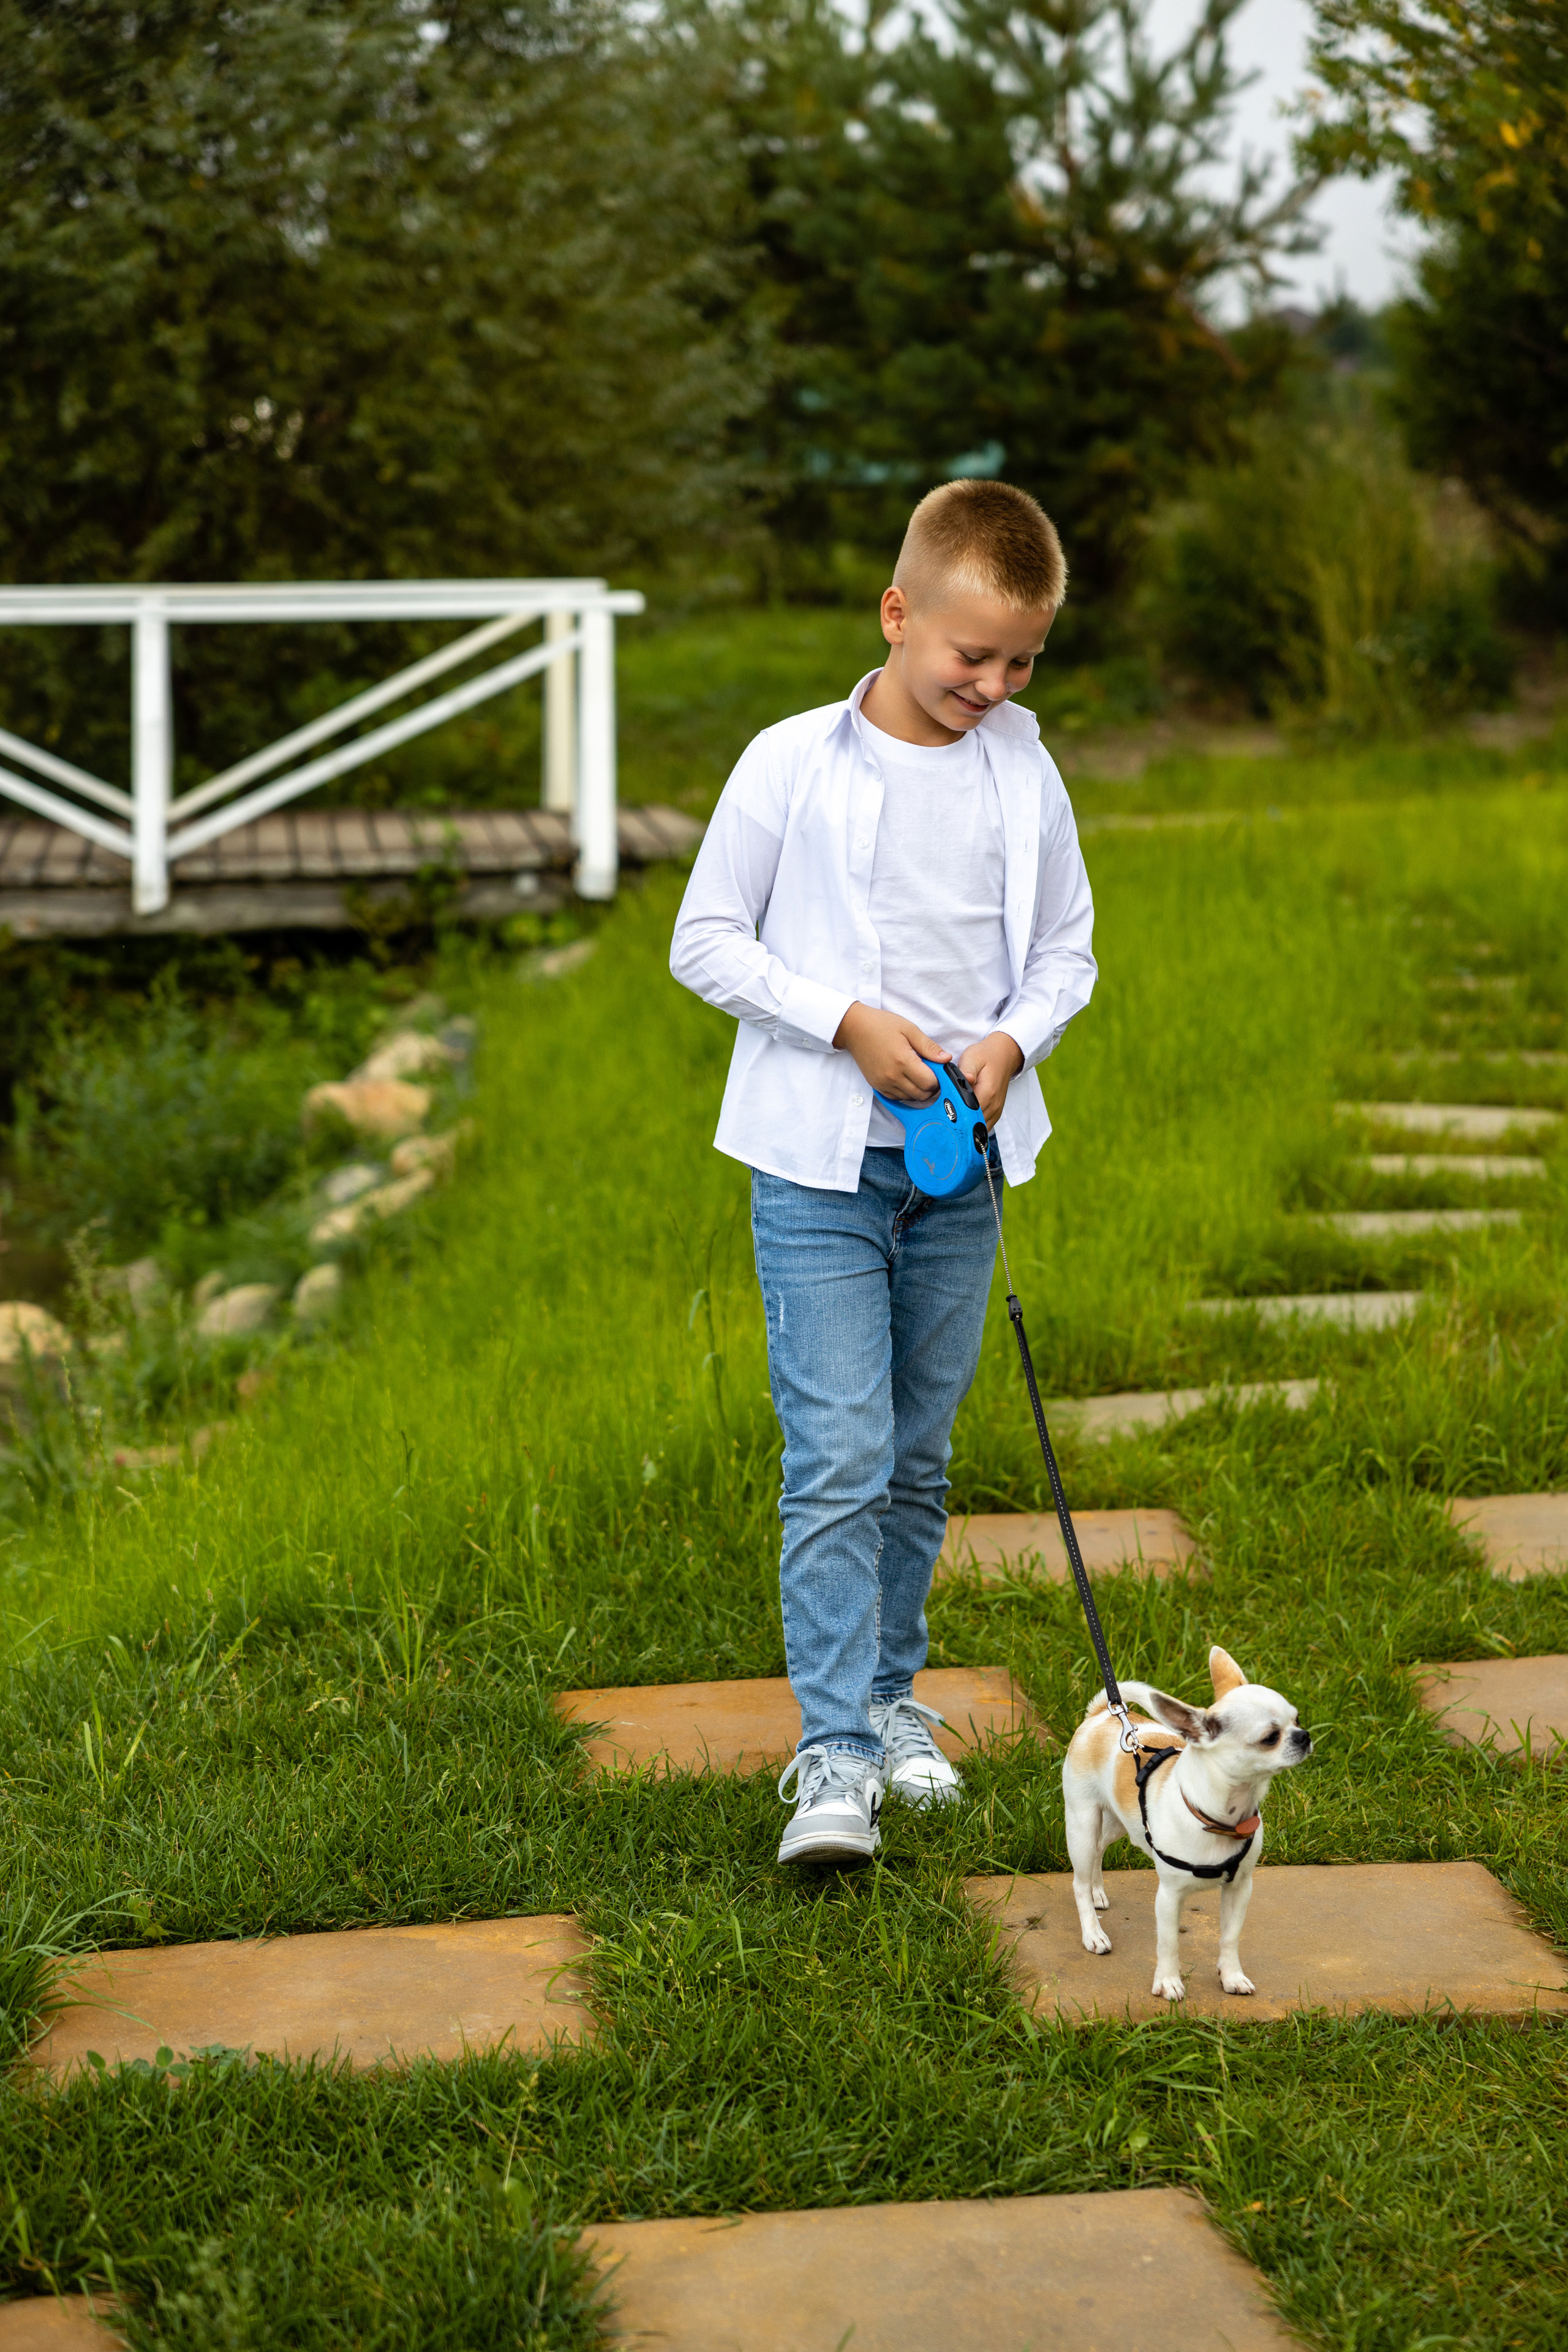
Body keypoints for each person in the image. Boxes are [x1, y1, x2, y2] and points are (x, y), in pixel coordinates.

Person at [669, 478, 1096, 1864]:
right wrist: (842, 1020)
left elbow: (1064, 957)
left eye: (1019, 659)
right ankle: (832, 1753)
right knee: (839, 1452)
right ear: (896, 613)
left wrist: (1011, 1044)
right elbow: (705, 941)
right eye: (969, 654)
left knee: (916, 1458)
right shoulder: (792, 761)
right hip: (816, 1169)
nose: (993, 682)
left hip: (958, 1170)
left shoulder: (1023, 770)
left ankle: (891, 1701)